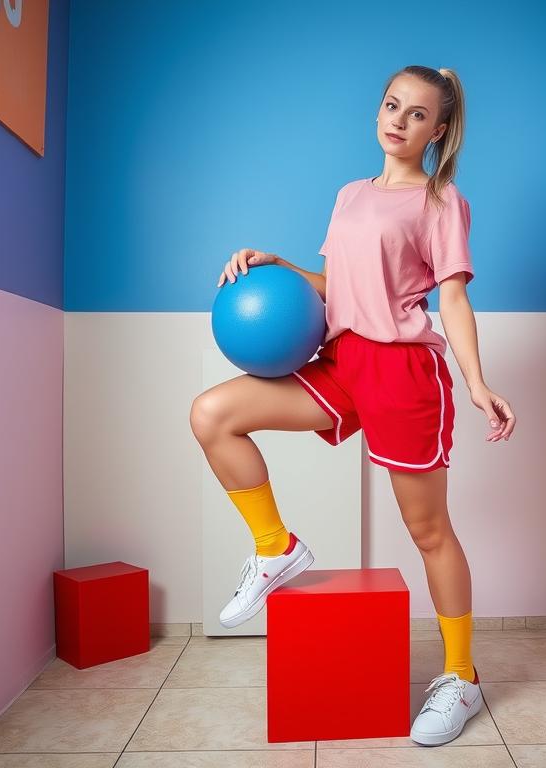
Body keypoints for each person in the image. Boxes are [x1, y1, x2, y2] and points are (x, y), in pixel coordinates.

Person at [189, 65, 516, 747]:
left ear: (440, 129)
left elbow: (451, 296)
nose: (398, 120)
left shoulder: (440, 201)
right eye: (392, 105)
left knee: (429, 532)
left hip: (403, 371)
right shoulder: (349, 194)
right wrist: (279, 265)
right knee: (213, 414)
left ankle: (461, 677)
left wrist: (477, 381)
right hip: (341, 361)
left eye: (418, 114)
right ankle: (275, 549)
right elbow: (340, 285)